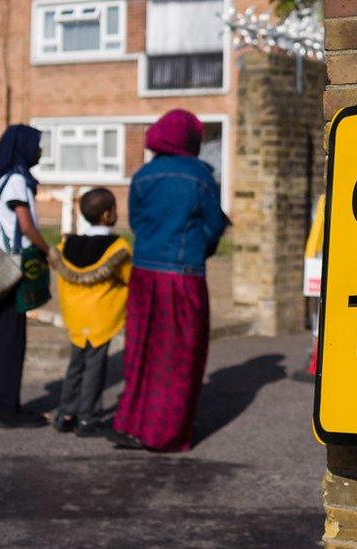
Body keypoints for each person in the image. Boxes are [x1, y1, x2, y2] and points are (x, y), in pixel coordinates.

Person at [109, 109, 230, 451]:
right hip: (182, 277)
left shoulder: (143, 175)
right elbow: (212, 225)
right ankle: (164, 433)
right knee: (178, 356)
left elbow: (136, 222)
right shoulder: (202, 176)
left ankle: (132, 423)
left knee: (142, 350)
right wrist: (198, 249)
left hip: (145, 274)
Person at [49, 188, 131, 437]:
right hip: (102, 317)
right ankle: (88, 418)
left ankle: (66, 414)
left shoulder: (66, 246)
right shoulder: (117, 247)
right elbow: (130, 278)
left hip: (76, 317)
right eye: (115, 208)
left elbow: (64, 282)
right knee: (95, 367)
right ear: (107, 215)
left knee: (76, 365)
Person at [0, 124, 50, 428]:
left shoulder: (4, 179)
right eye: (37, 145)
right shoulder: (17, 182)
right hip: (13, 270)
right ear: (23, 146)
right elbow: (25, 226)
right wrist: (49, 250)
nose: (40, 150)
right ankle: (8, 408)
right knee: (11, 340)